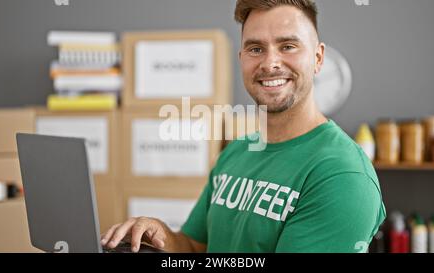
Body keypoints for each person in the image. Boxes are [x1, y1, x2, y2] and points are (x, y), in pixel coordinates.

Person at [101, 0, 386, 253]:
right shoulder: (236, 152)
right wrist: (160, 235)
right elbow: (194, 246)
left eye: (287, 46)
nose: (270, 62)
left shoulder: (342, 175)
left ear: (317, 58)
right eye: (255, 48)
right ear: (242, 60)